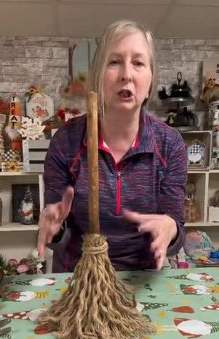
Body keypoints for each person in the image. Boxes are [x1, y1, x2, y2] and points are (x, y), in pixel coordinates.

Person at [37, 19, 187, 272]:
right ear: (98, 77)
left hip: (142, 280)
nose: (126, 75)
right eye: (115, 62)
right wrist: (55, 226)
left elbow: (175, 227)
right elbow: (56, 234)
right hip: (79, 278)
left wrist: (170, 228)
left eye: (138, 63)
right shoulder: (66, 141)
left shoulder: (170, 144)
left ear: (150, 81)